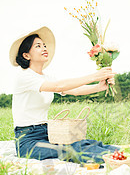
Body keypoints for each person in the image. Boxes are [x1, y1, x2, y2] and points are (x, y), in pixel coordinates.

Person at [9, 26, 119, 164]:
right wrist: (95, 76)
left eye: (44, 45)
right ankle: (115, 160)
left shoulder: (47, 77)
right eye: (38, 46)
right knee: (71, 151)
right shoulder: (24, 76)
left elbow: (74, 90)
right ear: (26, 55)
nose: (44, 48)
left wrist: (99, 86)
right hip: (27, 140)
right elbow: (59, 86)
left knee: (84, 143)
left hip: (48, 133)